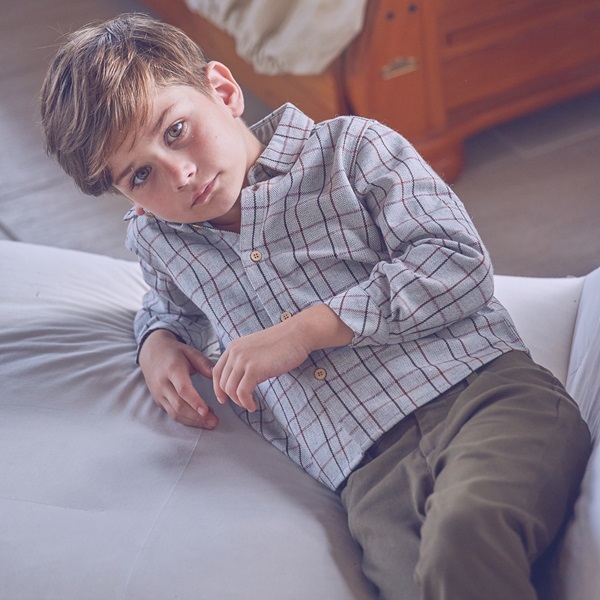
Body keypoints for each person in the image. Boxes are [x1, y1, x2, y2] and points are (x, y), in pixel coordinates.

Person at [40, 13, 590, 600]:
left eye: (175, 130)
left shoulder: (354, 151)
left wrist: (307, 330)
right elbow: (168, 306)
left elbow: (456, 263)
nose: (178, 173)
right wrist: (156, 343)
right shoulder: (161, 241)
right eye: (141, 174)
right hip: (367, 478)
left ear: (223, 92)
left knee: (463, 541)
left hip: (484, 398)